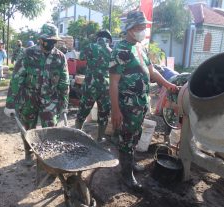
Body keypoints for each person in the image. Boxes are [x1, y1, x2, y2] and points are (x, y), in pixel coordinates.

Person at [109, 11, 178, 191]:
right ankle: (126, 174)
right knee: (126, 139)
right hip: (126, 106)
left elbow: (152, 72)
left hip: (140, 104)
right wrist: (115, 110)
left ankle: (130, 164)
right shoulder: (120, 50)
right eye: (140, 27)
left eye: (144, 27)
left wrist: (168, 84)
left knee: (136, 135)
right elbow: (114, 83)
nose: (143, 30)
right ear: (130, 29)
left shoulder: (140, 48)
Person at [4, 23, 70, 166]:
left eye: (54, 41)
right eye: (48, 40)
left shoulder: (60, 57)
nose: (51, 43)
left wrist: (64, 105)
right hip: (29, 97)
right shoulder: (27, 54)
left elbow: (64, 83)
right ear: (40, 39)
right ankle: (29, 153)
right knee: (27, 128)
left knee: (51, 129)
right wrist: (10, 104)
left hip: (50, 99)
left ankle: (48, 158)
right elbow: (17, 79)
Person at [75, 30, 112, 142]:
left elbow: (81, 57)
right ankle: (100, 138)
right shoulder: (111, 51)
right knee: (103, 113)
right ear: (108, 40)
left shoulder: (90, 46)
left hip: (90, 84)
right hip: (105, 87)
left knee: (83, 110)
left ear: (98, 38)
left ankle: (77, 137)